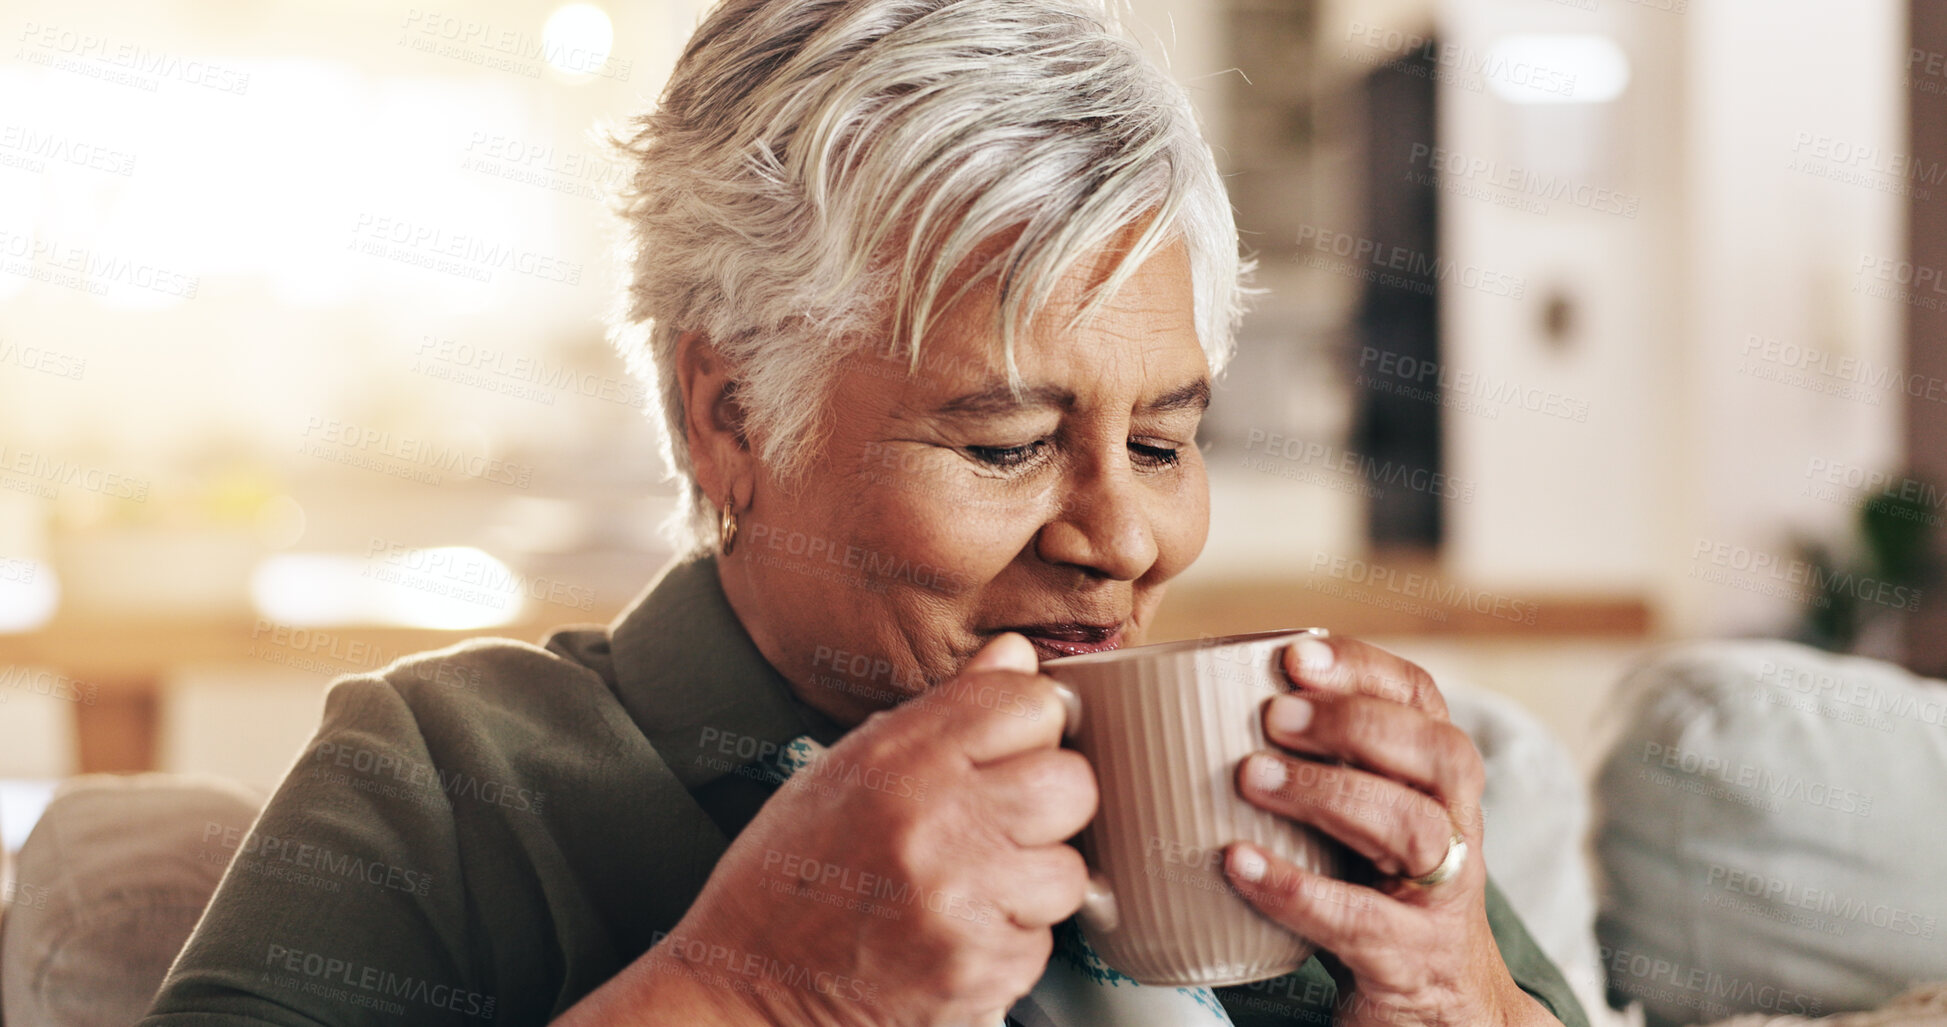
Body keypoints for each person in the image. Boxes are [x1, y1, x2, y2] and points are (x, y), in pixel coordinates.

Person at [143, 0, 1588, 1024]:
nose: (1124, 539)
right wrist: (754, 991)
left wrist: (1467, 1002)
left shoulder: (1291, 781)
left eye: (1161, 440)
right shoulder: (453, 783)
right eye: (1009, 443)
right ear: (730, 414)